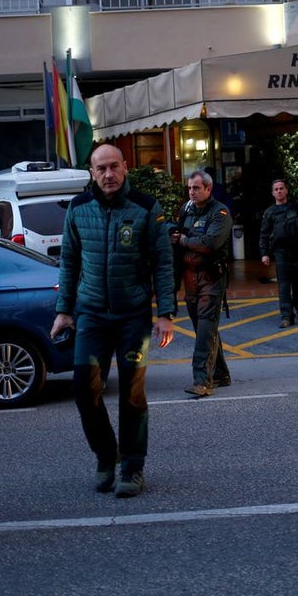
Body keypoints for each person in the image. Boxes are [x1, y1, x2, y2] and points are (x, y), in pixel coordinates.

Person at [50, 145, 176, 498]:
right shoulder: (78, 209)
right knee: (84, 390)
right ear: (91, 172)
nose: (108, 174)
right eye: (100, 168)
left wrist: (165, 314)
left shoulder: (146, 208)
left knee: (132, 395)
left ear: (125, 168)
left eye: (114, 167)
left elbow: (163, 263)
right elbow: (69, 262)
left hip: (133, 315)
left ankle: (132, 468)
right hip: (91, 315)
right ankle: (107, 456)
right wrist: (64, 311)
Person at [171, 169, 233, 397]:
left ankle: (201, 381)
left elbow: (210, 243)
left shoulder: (220, 213)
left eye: (196, 188)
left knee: (206, 329)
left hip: (211, 279)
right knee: (204, 330)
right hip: (191, 280)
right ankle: (221, 374)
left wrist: (186, 240)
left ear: (208, 188)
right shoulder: (186, 210)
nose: (192, 192)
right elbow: (177, 238)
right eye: (189, 188)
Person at [258, 178, 298, 328]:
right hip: (280, 251)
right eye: (276, 189)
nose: (279, 191)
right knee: (284, 284)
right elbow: (264, 234)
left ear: (286, 190)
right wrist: (264, 253)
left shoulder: (297, 207)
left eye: (281, 188)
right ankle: (286, 315)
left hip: (297, 249)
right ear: (273, 193)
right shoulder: (269, 213)